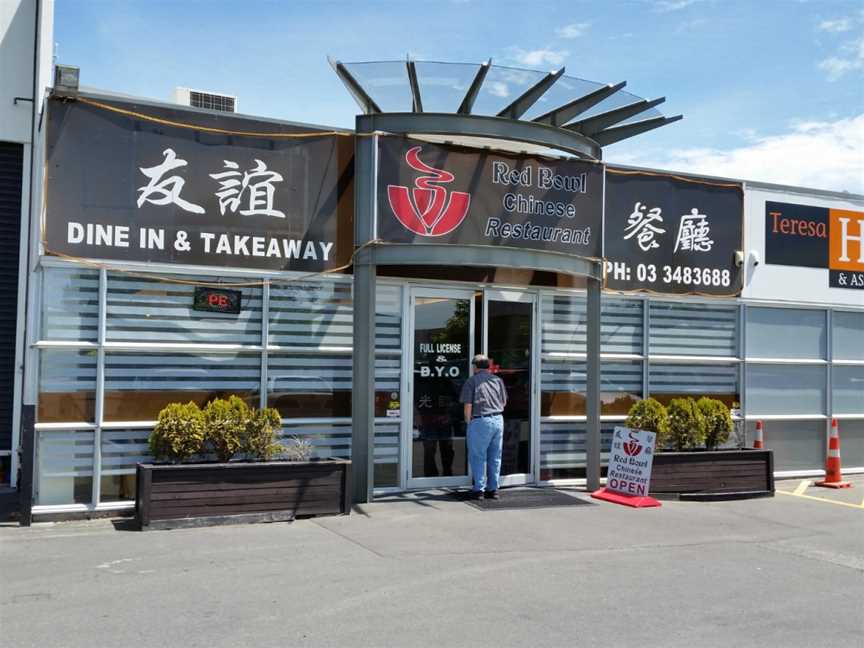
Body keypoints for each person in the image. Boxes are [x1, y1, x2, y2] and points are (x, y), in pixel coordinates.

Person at [459, 354, 508, 499]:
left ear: (475, 367)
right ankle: (493, 489)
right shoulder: (497, 380)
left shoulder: (471, 381)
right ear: (488, 366)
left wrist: (468, 422)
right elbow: (504, 402)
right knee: (495, 456)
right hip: (498, 419)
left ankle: (478, 489)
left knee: (478, 456)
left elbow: (468, 405)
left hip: (481, 420)